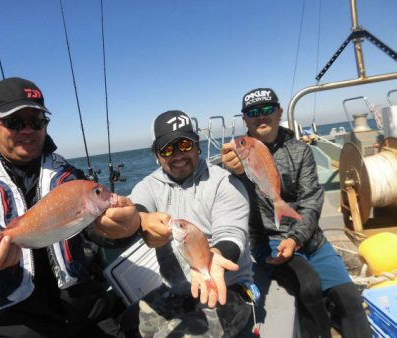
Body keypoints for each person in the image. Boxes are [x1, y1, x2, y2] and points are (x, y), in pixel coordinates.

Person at [0, 77, 140, 338]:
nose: (28, 130)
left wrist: (122, 230)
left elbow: (94, 231)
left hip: (83, 314)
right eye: (15, 122)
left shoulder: (70, 175)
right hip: (2, 326)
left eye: (37, 122)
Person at [221, 87, 372, 338]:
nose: (261, 116)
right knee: (309, 287)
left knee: (350, 301)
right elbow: (238, 207)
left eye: (268, 109)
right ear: (245, 119)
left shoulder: (299, 150)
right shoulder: (235, 156)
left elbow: (312, 199)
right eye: (253, 112)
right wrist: (236, 174)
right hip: (269, 243)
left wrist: (296, 238)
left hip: (310, 238)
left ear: (279, 112)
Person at [120, 110, 254, 338]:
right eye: (167, 149)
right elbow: (134, 211)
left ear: (196, 144)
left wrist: (217, 257)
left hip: (228, 287)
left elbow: (231, 232)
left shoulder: (223, 181)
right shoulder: (148, 186)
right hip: (177, 290)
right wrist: (140, 220)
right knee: (128, 322)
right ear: (156, 155)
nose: (178, 154)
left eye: (184, 144)